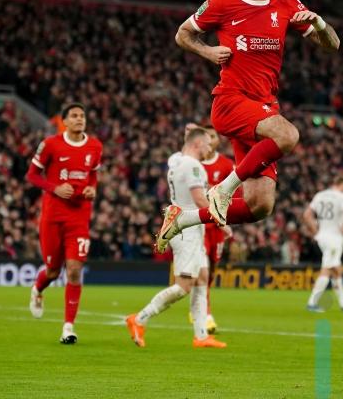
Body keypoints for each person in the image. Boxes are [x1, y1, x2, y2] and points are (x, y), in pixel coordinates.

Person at [155, 0, 340, 251]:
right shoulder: (222, 4)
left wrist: (320, 23)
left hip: (263, 108)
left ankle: (183, 219)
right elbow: (183, 34)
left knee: (260, 206)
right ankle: (225, 189)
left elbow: (332, 45)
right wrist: (208, 51)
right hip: (231, 101)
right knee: (288, 135)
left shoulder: (286, 2)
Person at [125, 127, 227, 349]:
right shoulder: (193, 165)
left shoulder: (177, 163)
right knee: (184, 286)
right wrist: (221, 220)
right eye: (207, 143)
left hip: (190, 227)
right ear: (197, 144)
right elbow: (199, 199)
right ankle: (139, 318)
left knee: (202, 278)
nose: (210, 148)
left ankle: (201, 336)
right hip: (186, 229)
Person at [26, 102, 103, 344]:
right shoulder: (51, 144)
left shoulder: (95, 146)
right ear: (65, 121)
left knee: (74, 270)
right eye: (74, 116)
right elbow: (32, 175)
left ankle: (68, 327)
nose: (80, 119)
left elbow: (93, 174)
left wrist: (92, 189)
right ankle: (38, 289)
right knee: (53, 270)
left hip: (79, 217)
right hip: (53, 217)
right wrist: (55, 188)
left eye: (82, 115)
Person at [187, 123, 234, 334]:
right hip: (198, 224)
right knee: (202, 268)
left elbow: (232, 195)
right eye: (206, 136)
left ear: (217, 140)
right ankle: (205, 314)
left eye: (213, 136)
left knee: (212, 268)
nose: (210, 140)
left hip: (217, 226)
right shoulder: (192, 164)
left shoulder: (226, 165)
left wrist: (225, 222)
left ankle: (197, 305)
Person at [302, 176, 343, 313]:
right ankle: (312, 303)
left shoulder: (320, 195)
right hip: (334, 239)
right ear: (342, 184)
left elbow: (307, 215)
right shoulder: (341, 197)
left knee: (336, 270)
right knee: (327, 269)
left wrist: (315, 231)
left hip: (322, 237)